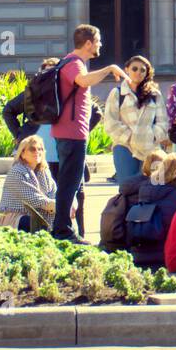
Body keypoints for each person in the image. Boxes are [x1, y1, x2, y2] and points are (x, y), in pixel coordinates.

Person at [51, 24, 123, 243]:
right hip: (71, 132)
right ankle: (63, 231)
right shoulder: (73, 63)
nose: (101, 44)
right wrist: (109, 68)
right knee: (69, 183)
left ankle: (63, 229)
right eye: (98, 40)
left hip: (70, 131)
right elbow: (82, 81)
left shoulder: (72, 62)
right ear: (89, 43)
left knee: (70, 182)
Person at [103, 55, 170, 183]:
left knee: (156, 187)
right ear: (127, 69)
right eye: (134, 69)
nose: (138, 72)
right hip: (125, 147)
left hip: (151, 148)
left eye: (142, 70)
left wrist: (152, 136)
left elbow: (163, 122)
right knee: (127, 188)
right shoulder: (117, 93)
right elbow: (110, 123)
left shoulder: (155, 94)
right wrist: (131, 137)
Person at [0, 135, 59, 231]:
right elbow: (36, 200)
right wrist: (62, 206)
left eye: (40, 149)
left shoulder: (44, 172)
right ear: (22, 153)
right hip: (15, 218)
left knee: (62, 222)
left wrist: (68, 204)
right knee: (33, 223)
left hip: (39, 214)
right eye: (32, 149)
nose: (37, 152)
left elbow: (54, 192)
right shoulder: (16, 172)